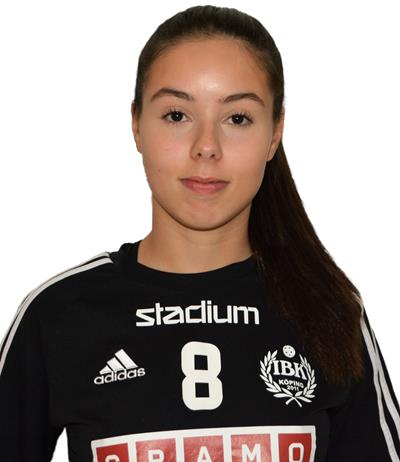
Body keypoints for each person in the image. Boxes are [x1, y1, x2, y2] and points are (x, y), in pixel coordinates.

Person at [0, 4, 399, 461]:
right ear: (136, 124)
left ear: (275, 134)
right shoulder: (59, 314)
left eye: (237, 118)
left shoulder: (328, 309)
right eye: (177, 115)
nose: (206, 147)